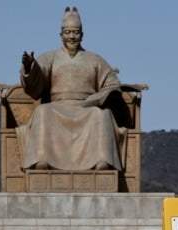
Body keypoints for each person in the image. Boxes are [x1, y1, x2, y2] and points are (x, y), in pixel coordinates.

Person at [17, 6, 125, 172]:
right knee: (43, 112)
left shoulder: (94, 59)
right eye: (67, 32)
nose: (72, 36)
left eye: (75, 32)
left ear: (82, 34)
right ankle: (42, 160)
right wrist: (30, 66)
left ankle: (102, 161)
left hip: (87, 107)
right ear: (61, 35)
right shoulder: (49, 57)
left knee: (101, 115)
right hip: (58, 106)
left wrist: (96, 99)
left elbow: (112, 83)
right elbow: (36, 81)